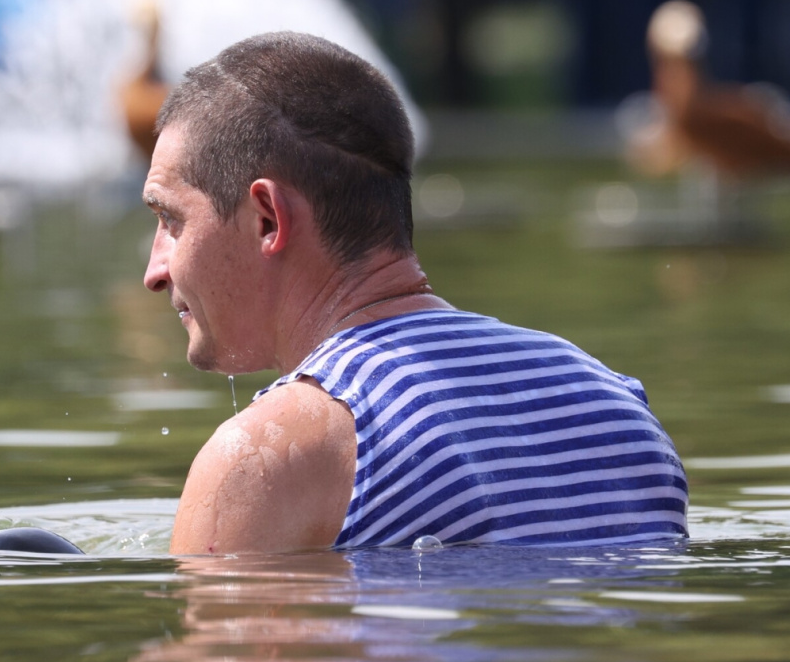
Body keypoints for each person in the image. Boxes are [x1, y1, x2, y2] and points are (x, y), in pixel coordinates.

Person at [142, 31, 689, 555]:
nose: (155, 271)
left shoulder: (263, 462)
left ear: (267, 219)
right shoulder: (620, 409)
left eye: (171, 219)